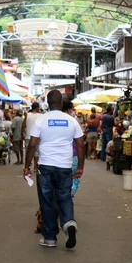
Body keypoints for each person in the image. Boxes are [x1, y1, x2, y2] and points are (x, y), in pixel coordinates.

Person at [24, 90, 85, 249]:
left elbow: (32, 144)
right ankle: (68, 222)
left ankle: (50, 238)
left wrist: (26, 166)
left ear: (48, 103)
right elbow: (80, 145)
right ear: (61, 103)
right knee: (64, 196)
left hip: (45, 166)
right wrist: (80, 167)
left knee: (47, 201)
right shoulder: (71, 121)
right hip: (65, 166)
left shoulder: (42, 120)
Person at [22, 102, 41, 171]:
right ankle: (36, 167)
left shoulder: (27, 115)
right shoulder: (40, 116)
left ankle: (27, 167)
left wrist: (22, 133)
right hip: (37, 137)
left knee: (28, 152)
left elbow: (23, 125)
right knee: (36, 152)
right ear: (37, 108)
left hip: (28, 136)